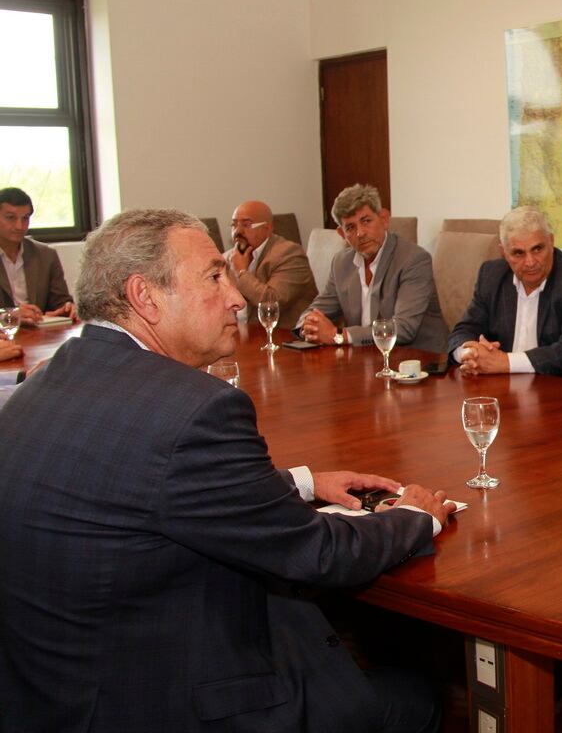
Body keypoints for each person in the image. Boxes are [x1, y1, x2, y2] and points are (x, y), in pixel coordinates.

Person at [0, 209, 454, 732]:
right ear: (145, 296)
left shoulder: (40, 384)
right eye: (215, 276)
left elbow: (139, 485)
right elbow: (317, 554)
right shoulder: (196, 409)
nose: (237, 298)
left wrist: (302, 481)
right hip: (155, 702)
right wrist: (417, 517)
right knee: (414, 698)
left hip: (51, 693)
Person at [448, 206, 562, 381]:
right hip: (504, 389)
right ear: (504, 252)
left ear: (551, 242)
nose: (530, 262)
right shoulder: (492, 275)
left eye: (537, 249)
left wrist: (504, 362)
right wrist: (472, 355)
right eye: (518, 253)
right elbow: (464, 330)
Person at [298, 185, 448, 352]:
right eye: (350, 227)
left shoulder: (414, 260)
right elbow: (317, 309)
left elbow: (404, 328)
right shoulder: (341, 263)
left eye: (366, 221)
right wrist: (310, 326)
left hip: (418, 361)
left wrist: (338, 335)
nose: (360, 233)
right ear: (342, 234)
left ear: (384, 219)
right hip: (364, 360)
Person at [225, 199, 318, 329]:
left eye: (246, 225)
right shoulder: (228, 257)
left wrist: (241, 273)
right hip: (242, 336)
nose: (237, 232)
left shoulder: (289, 254)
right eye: (234, 225)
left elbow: (272, 303)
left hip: (283, 338)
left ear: (267, 228)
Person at [0, 186, 77, 324]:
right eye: (11, 218)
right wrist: (10, 315)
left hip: (40, 332)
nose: (19, 226)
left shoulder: (46, 255)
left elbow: (60, 301)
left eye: (25, 218)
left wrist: (67, 308)